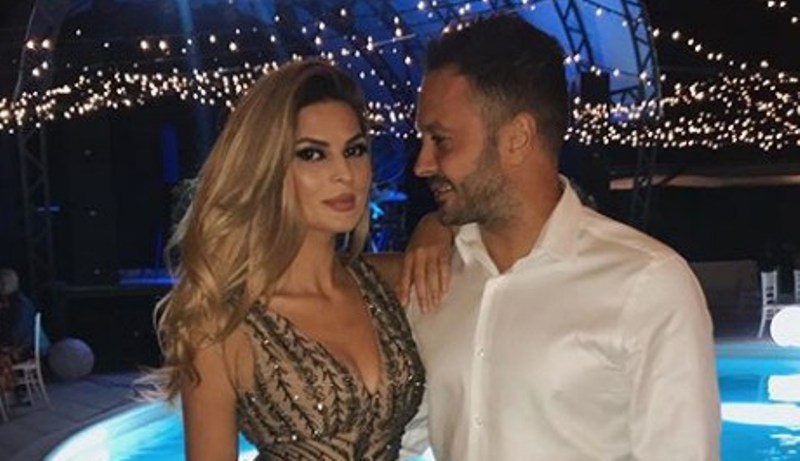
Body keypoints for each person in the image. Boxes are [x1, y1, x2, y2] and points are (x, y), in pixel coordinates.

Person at [402, 14, 720, 460]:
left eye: (441, 140)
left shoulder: (646, 284)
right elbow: (400, 435)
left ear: (517, 138)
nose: (422, 164)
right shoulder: (435, 277)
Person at [152, 60, 437, 460]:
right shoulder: (224, 324)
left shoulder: (386, 278)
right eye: (312, 154)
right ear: (266, 168)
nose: (345, 173)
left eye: (354, 150)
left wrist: (434, 227)